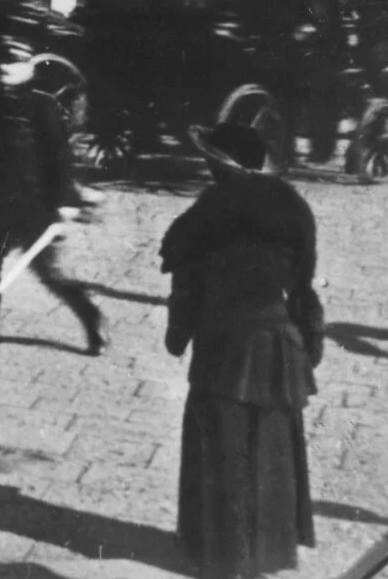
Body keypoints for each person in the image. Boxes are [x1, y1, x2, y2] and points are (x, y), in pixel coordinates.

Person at [162, 122, 322, 578]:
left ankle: (223, 557)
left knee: (223, 449)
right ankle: (269, 552)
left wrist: (177, 336)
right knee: (271, 449)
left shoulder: (209, 209)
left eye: (209, 160)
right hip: (281, 343)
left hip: (224, 347)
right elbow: (305, 280)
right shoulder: (292, 203)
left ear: (220, 164)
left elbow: (186, 280)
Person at [0, 58, 104, 357]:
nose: (5, 71)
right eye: (2, 66)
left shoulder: (42, 106)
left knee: (50, 274)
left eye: (13, 66)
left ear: (29, 71)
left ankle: (90, 316)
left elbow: (60, 158)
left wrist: (65, 204)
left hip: (35, 207)